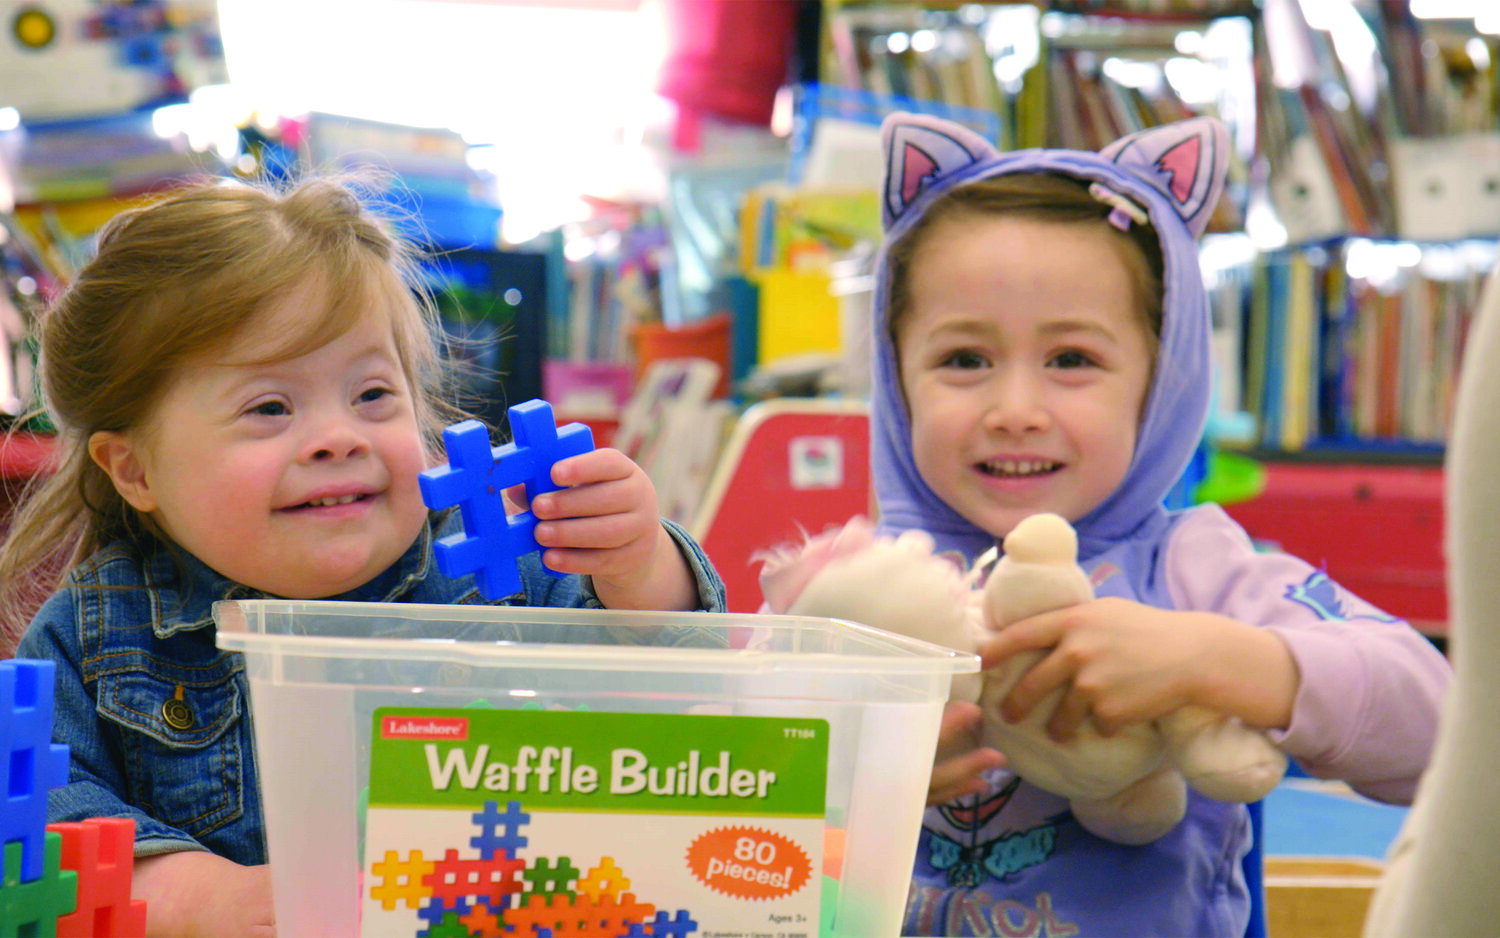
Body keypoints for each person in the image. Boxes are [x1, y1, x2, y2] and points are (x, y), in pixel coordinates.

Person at [765, 113, 1450, 936]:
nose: (1015, 410)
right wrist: (847, 771)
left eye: (1072, 361)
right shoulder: (861, 587)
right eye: (963, 360)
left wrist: (1218, 660)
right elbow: (710, 787)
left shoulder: (1201, 568)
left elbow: (1443, 730)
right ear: (897, 378)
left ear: (1160, 382)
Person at [1, 174, 727, 937]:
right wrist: (193, 897)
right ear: (136, 470)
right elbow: (41, 816)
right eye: (270, 407)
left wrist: (639, 564)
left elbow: (681, 697)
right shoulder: (99, 630)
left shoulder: (496, 571)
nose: (338, 436)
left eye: (373, 394)